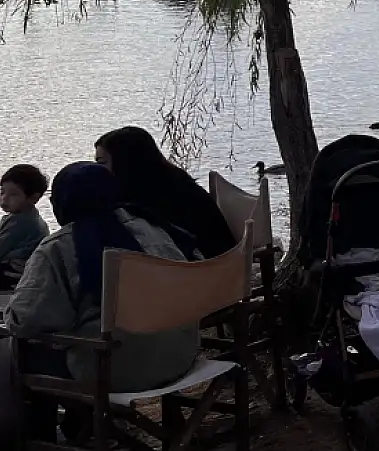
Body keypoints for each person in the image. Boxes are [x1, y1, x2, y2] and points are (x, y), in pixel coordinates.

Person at [6, 162, 202, 441]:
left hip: (116, 370)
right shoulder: (155, 229)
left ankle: (47, 439)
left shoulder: (59, 247)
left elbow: (25, 321)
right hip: (180, 354)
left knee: (21, 351)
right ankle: (82, 427)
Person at [95, 126, 234, 257]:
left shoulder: (156, 203)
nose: (96, 170)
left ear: (124, 163)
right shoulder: (174, 184)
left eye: (101, 163)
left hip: (200, 269)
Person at [0, 164, 49, 290]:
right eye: (2, 192)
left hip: (11, 274)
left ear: (33, 198)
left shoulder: (21, 222)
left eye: (13, 194)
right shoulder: (28, 217)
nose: (4, 199)